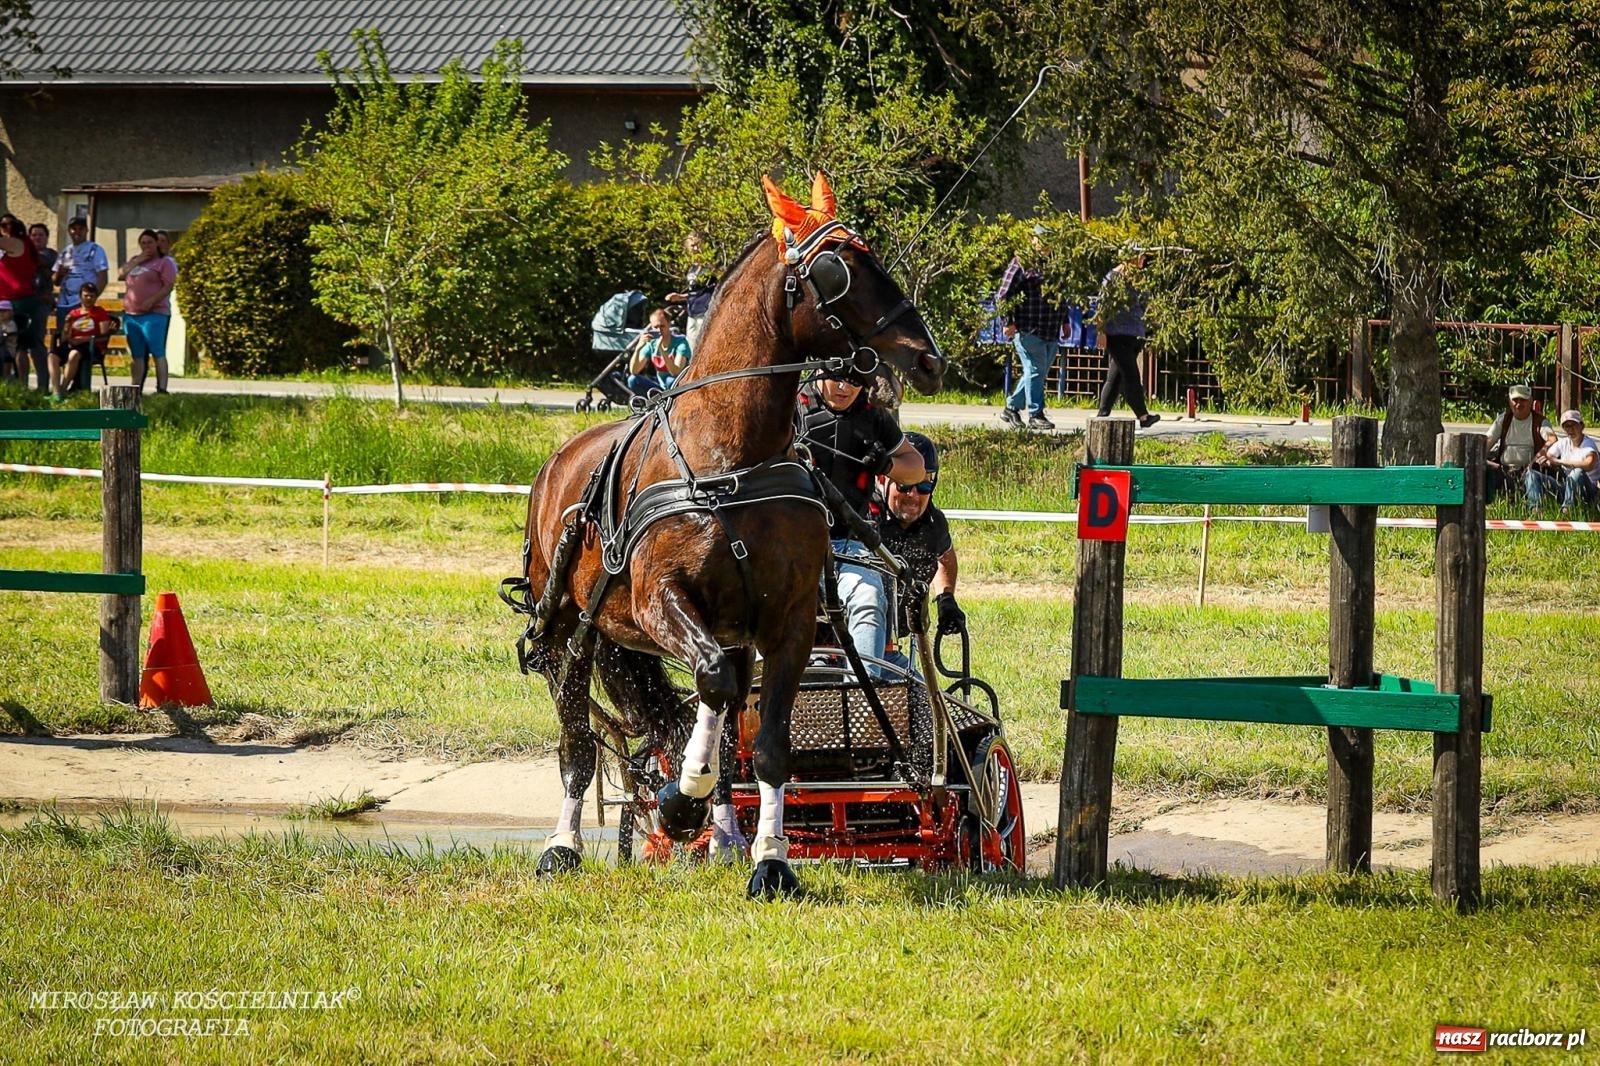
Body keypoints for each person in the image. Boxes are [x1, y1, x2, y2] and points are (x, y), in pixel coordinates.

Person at [798, 369, 925, 677]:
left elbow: (917, 469)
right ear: (817, 372)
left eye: (854, 381)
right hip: (793, 545)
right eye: (836, 378)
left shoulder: (874, 418)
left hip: (849, 544)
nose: (844, 387)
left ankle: (861, 700)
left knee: (869, 597)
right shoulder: (791, 408)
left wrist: (888, 464)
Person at [874, 432, 965, 674]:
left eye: (925, 484)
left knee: (925, 703)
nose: (914, 495)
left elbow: (945, 558)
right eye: (905, 483)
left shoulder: (934, 523)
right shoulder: (862, 515)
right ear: (882, 480)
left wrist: (946, 599)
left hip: (892, 648)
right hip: (842, 643)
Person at [994, 228, 1069, 430]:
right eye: (1041, 240)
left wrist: (1066, 320)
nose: (1045, 245)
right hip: (1028, 328)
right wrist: (1007, 322)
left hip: (1051, 329)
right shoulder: (1020, 262)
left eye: (1049, 240)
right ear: (1032, 240)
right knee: (1035, 370)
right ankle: (1036, 414)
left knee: (1037, 372)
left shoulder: (1055, 264)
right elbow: (1002, 295)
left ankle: (1011, 408)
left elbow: (1061, 294)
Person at [1094, 250, 1161, 428]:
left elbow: (1147, 304)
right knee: (1131, 374)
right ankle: (1143, 416)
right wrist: (1101, 332)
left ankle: (1102, 414)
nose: (1143, 259)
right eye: (1141, 256)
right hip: (1117, 334)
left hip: (1135, 334)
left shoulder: (1139, 278)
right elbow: (1102, 305)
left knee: (1115, 377)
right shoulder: (1112, 278)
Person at [119, 228, 177, 394]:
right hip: (132, 315)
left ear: (156, 243)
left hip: (154, 314)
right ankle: (135, 389)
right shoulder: (136, 260)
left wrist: (151, 301)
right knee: (137, 354)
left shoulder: (164, 262)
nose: (147, 246)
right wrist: (138, 260)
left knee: (157, 351)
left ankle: (162, 388)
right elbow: (121, 274)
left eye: (150, 242)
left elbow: (168, 286)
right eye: (143, 243)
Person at [0, 214, 46, 391]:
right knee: (17, 347)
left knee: (20, 347)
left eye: (4, 226)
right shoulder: (21, 244)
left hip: (17, 302)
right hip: (13, 301)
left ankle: (23, 386)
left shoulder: (16, 243)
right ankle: (18, 385)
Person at [1483, 384, 1549, 507]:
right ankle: (1488, 506)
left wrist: (1535, 461)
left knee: (1533, 477)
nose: (1518, 404)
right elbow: (1487, 442)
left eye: (1523, 400)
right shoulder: (1503, 420)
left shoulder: (1540, 421)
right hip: (1504, 470)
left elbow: (1552, 440)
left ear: (1530, 402)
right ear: (1509, 401)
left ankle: (1535, 512)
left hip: (1529, 471)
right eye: (1515, 400)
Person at [48, 281, 114, 401]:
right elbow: (64, 339)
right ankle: (55, 391)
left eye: (91, 296)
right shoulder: (73, 313)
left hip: (90, 345)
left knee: (73, 355)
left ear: (95, 297)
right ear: (80, 296)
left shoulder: (100, 312)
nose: (88, 298)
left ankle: (63, 389)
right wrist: (67, 324)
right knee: (52, 356)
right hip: (72, 343)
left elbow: (104, 335)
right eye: (86, 295)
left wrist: (84, 339)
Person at [1528, 410, 1598, 512]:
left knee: (1577, 472)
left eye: (1573, 425)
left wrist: (1560, 462)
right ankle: (1536, 509)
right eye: (1566, 426)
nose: (1570, 429)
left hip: (1588, 490)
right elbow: (1549, 455)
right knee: (1532, 475)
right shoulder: (1564, 442)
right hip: (1567, 487)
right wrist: (1547, 462)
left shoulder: (1588, 444)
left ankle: (1567, 510)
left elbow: (1589, 464)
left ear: (1582, 426)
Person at [666, 232, 715, 354]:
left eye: (698, 245)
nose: (695, 249)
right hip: (692, 312)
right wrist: (680, 297)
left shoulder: (712, 267)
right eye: (692, 245)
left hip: (706, 312)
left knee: (705, 347)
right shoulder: (691, 268)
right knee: (692, 349)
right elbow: (695, 292)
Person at [625, 308, 690, 395]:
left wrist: (662, 350)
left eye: (662, 326)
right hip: (661, 386)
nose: (659, 331)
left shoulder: (681, 342)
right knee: (632, 380)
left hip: (680, 385)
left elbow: (676, 372)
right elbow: (634, 371)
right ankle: (654, 404)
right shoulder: (652, 344)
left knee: (670, 381)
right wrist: (638, 349)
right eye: (655, 327)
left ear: (669, 324)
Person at [0, 300, 18, 381]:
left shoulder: (11, 324)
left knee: (4, 355)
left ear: (10, 312)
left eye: (5, 311)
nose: (2, 313)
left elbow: (8, 336)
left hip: (8, 350)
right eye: (0, 311)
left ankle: (6, 378)